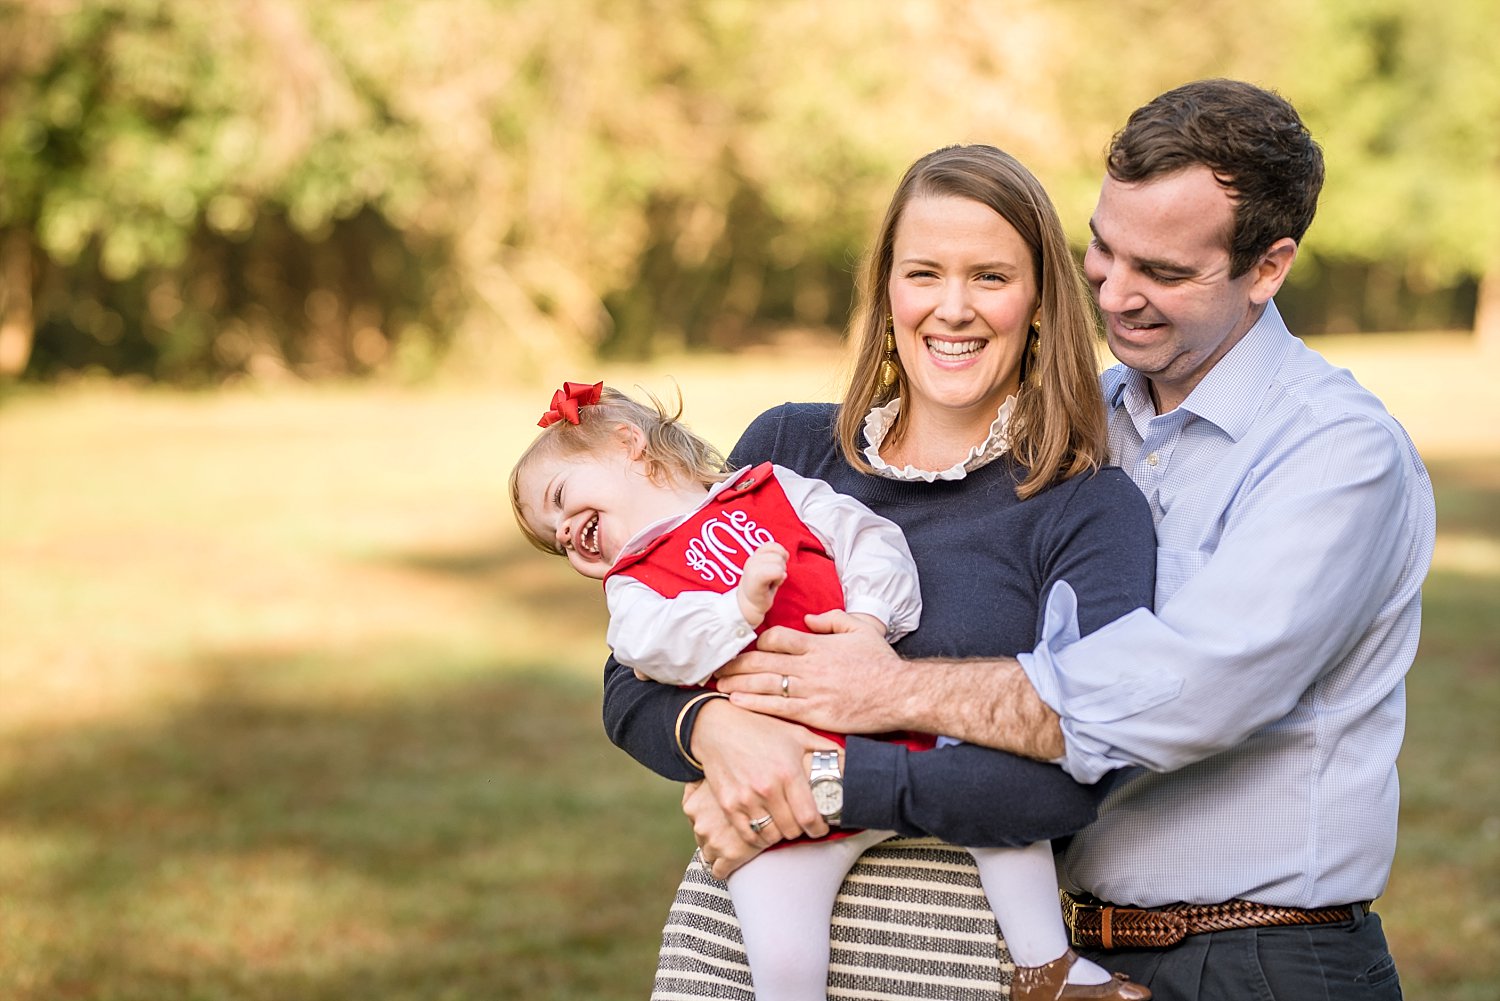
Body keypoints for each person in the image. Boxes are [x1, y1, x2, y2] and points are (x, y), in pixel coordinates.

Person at [689, 80, 1435, 1000]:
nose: (1116, 297)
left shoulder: (1334, 452)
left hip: (1259, 959)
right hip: (1071, 950)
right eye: (1103, 250)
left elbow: (1182, 694)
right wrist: (723, 736)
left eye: (1161, 271)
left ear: (1269, 267)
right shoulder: (1087, 429)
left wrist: (853, 740)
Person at [599, 143, 1163, 999]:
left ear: (1042, 300)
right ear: (887, 290)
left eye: (991, 277)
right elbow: (633, 676)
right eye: (924, 272)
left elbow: (1072, 776)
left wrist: (830, 779)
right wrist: (716, 733)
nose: (953, 308)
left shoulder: (1085, 507)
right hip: (738, 950)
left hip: (950, 965)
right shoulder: (787, 450)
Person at [511, 379, 1153, 1000]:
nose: (564, 531)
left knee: (1007, 835)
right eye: (552, 537)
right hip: (779, 793)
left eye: (562, 499)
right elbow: (640, 657)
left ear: (629, 443)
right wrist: (729, 632)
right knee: (782, 945)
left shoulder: (770, 485)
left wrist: (871, 624)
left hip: (884, 741)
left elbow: (868, 538)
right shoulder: (636, 582)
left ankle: (1047, 969)